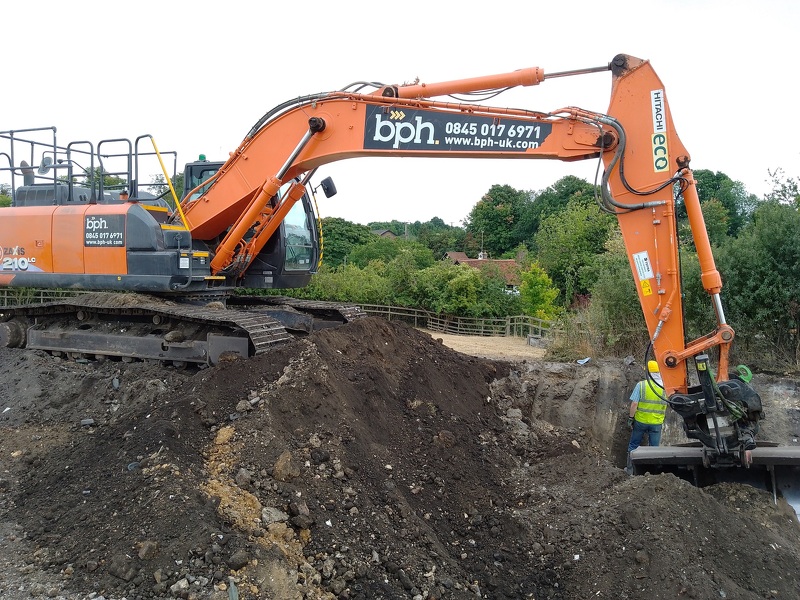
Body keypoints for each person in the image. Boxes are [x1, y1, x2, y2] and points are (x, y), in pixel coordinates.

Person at [625, 360, 668, 474]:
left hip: (641, 421)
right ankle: (652, 473)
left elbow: (634, 404)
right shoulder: (665, 387)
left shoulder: (642, 385)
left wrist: (631, 418)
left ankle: (630, 471)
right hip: (656, 423)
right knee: (654, 449)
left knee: (634, 445)